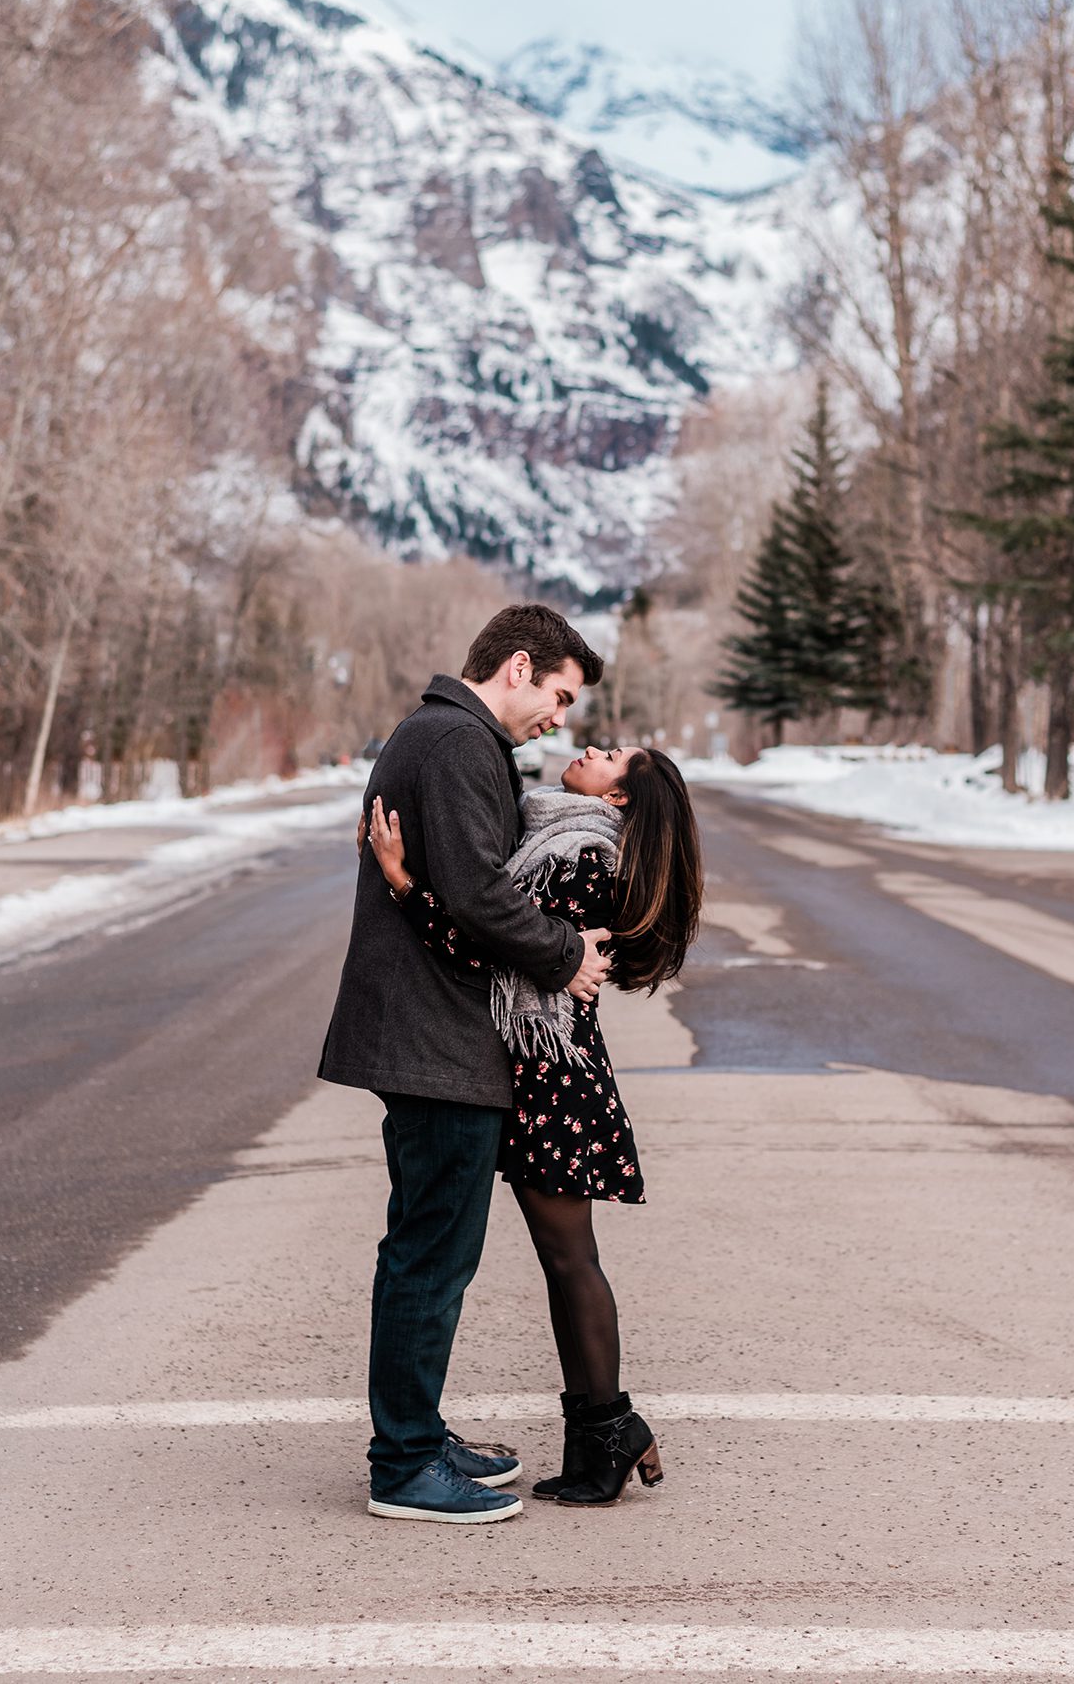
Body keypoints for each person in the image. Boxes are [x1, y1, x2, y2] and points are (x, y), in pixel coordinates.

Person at [319, 604, 612, 1524]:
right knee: (430, 1255)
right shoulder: (454, 742)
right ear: (519, 667)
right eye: (559, 694)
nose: (559, 717)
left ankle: (418, 1430)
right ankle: (404, 1462)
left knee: (436, 1247)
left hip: (437, 1034)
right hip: (434, 1040)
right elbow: (481, 895)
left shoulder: (451, 738)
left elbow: (457, 884)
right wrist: (568, 955)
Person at [366, 738, 703, 1508]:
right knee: (566, 1259)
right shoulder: (556, 838)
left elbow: (495, 949)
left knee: (570, 1259)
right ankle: (604, 1431)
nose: (592, 745)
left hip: (552, 1078)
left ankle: (610, 1426)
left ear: (618, 799)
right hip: (543, 1070)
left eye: (612, 754)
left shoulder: (581, 856)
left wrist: (403, 883)